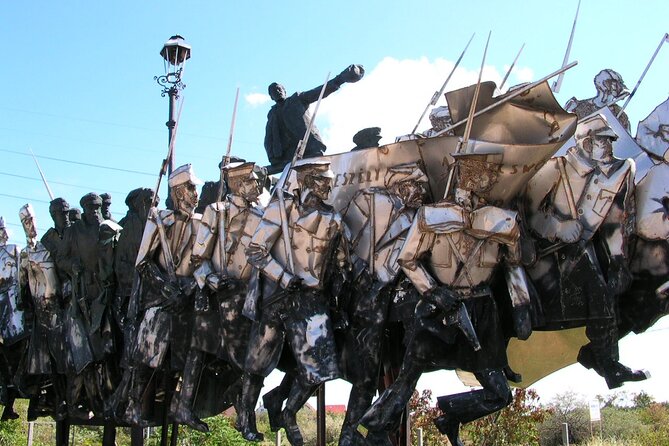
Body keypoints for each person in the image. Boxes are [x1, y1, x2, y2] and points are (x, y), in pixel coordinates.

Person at [359, 153, 531, 446]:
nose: (491, 180)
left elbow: (514, 265)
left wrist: (521, 303)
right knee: (406, 381)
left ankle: (450, 414)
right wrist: (431, 290)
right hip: (439, 310)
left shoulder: (503, 221)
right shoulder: (431, 217)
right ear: (468, 178)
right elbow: (408, 259)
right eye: (484, 174)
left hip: (480, 312)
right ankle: (373, 431)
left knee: (499, 394)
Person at [524, 114, 647, 389]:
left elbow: (617, 219)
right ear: (586, 142)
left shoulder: (618, 172)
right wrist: (556, 226)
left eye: (610, 140)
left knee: (607, 296)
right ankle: (606, 363)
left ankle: (605, 361)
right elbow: (528, 211)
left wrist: (618, 262)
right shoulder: (555, 168)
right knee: (596, 292)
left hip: (584, 247)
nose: (610, 146)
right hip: (547, 251)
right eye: (603, 141)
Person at [245, 159, 353, 446]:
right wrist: (282, 277)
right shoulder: (283, 208)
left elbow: (341, 263)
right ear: (305, 181)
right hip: (281, 295)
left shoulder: (335, 219)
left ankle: (290, 411)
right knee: (258, 362)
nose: (329, 185)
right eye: (322, 180)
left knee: (321, 369)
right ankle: (246, 413)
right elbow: (255, 249)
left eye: (330, 180)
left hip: (313, 299)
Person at [337, 162, 428, 444]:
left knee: (409, 366)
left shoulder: (419, 216)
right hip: (366, 294)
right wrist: (356, 272)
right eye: (417, 186)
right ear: (402, 184)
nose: (420, 193)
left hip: (398, 296)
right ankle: (350, 434)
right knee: (365, 375)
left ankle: (374, 428)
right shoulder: (369, 200)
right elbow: (344, 236)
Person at [183, 161, 265, 437]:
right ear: (239, 184)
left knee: (254, 359)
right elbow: (198, 258)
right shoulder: (216, 212)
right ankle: (184, 404)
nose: (258, 185)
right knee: (201, 347)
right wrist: (211, 279)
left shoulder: (264, 215)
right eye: (252, 181)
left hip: (248, 297)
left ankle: (245, 411)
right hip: (218, 295)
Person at [122, 164, 202, 427]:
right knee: (147, 354)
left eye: (195, 187)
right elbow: (143, 262)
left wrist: (188, 288)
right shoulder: (159, 220)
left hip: (185, 299)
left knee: (193, 350)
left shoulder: (201, 224)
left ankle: (182, 405)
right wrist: (166, 288)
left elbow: (203, 262)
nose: (195, 192)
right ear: (178, 191)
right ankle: (135, 406)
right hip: (159, 297)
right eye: (190, 187)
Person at [58, 192, 121, 418]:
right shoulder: (73, 232)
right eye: (90, 208)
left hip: (105, 296)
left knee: (106, 351)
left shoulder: (109, 227)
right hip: (83, 296)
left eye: (97, 207)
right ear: (83, 209)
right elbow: (61, 257)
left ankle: (108, 402)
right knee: (85, 355)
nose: (94, 211)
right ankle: (83, 403)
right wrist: (73, 266)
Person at [264, 64, 364, 171]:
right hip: (288, 155)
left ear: (284, 91)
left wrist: (340, 79)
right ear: (271, 97)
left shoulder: (296, 99)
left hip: (309, 147)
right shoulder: (272, 113)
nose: (277, 92)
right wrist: (273, 156)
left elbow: (319, 91)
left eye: (279, 89)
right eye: (274, 91)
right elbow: (269, 137)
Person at [18, 203, 68, 420]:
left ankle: (60, 399)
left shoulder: (48, 245)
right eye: (26, 222)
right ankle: (36, 400)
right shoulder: (25, 254)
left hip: (56, 306)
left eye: (32, 220)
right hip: (40, 309)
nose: (30, 226)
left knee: (59, 358)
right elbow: (21, 285)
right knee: (39, 358)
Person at [0, 216, 28, 420]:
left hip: (12, 309)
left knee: (14, 354)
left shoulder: (12, 250)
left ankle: (11, 401)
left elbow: (22, 277)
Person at [565, 69, 631, 132]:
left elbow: (627, 141)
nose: (613, 87)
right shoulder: (577, 107)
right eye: (609, 83)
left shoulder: (620, 115)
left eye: (616, 84)